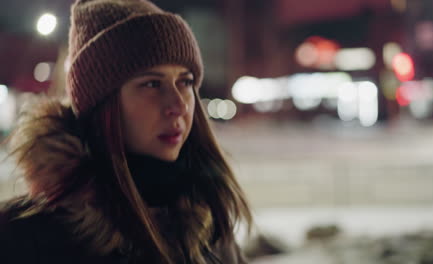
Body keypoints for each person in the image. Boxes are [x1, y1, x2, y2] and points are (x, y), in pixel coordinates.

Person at [0, 0, 253, 263]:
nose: (178, 105)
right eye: (152, 84)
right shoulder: (25, 239)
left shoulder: (209, 228)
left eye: (185, 81)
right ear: (101, 103)